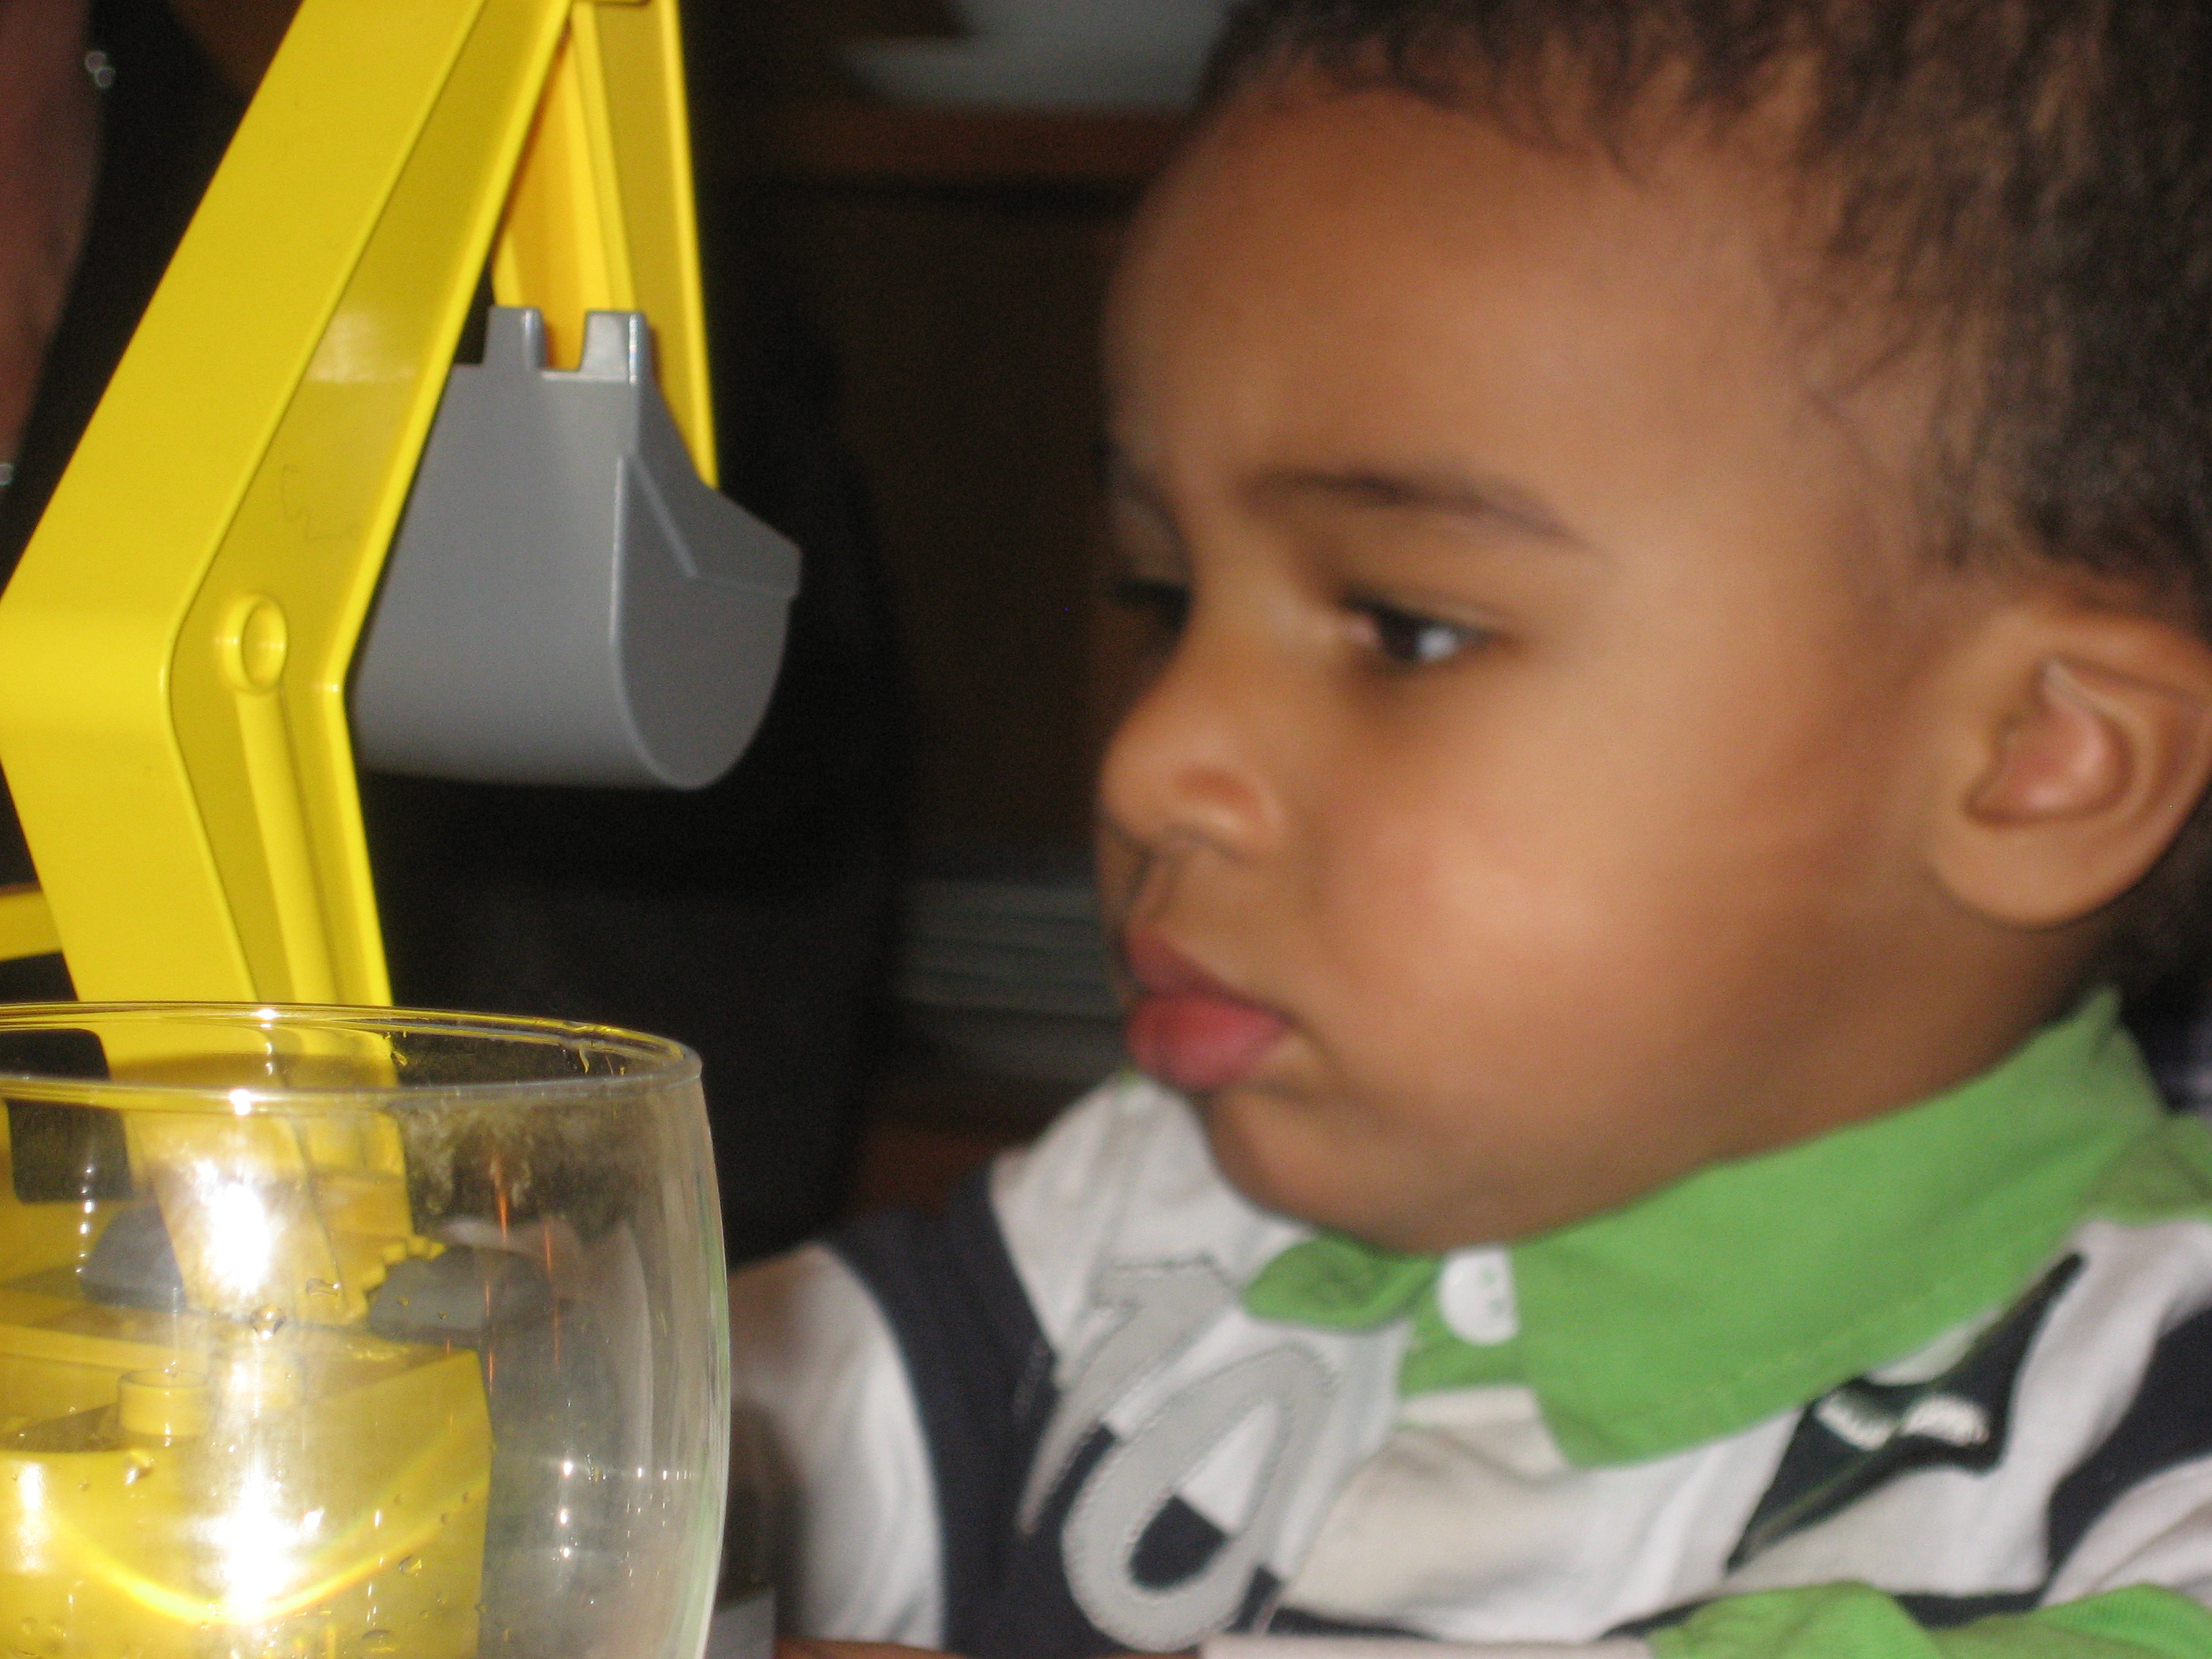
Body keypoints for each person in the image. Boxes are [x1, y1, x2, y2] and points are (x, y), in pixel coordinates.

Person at [730, 2, 2212, 1656]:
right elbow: (611, 1449)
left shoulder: (2151, 1433)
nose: (1152, 765)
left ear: (2038, 760)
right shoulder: (1131, 1229)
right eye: (1161, 596)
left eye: (1408, 629)